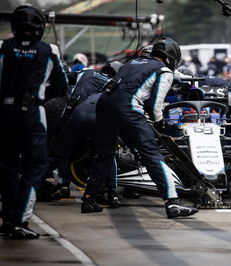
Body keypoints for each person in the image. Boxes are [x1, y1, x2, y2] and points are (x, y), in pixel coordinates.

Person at [84, 37, 198, 218]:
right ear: (171, 57)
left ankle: (89, 199)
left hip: (104, 103)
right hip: (127, 107)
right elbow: (154, 106)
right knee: (152, 154)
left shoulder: (132, 63)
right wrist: (160, 124)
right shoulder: (164, 71)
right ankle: (172, 203)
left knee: (104, 153)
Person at [0, 5, 68, 239]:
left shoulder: (3, 47)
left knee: (7, 166)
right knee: (35, 166)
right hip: (32, 113)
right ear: (39, 27)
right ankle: (21, 220)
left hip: (4, 112)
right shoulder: (48, 51)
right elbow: (61, 87)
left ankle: (7, 220)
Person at [46, 62, 124, 205]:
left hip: (73, 114)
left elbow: (65, 79)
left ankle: (59, 184)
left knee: (60, 153)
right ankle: (110, 192)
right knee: (106, 154)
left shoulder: (87, 71)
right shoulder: (115, 83)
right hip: (97, 120)